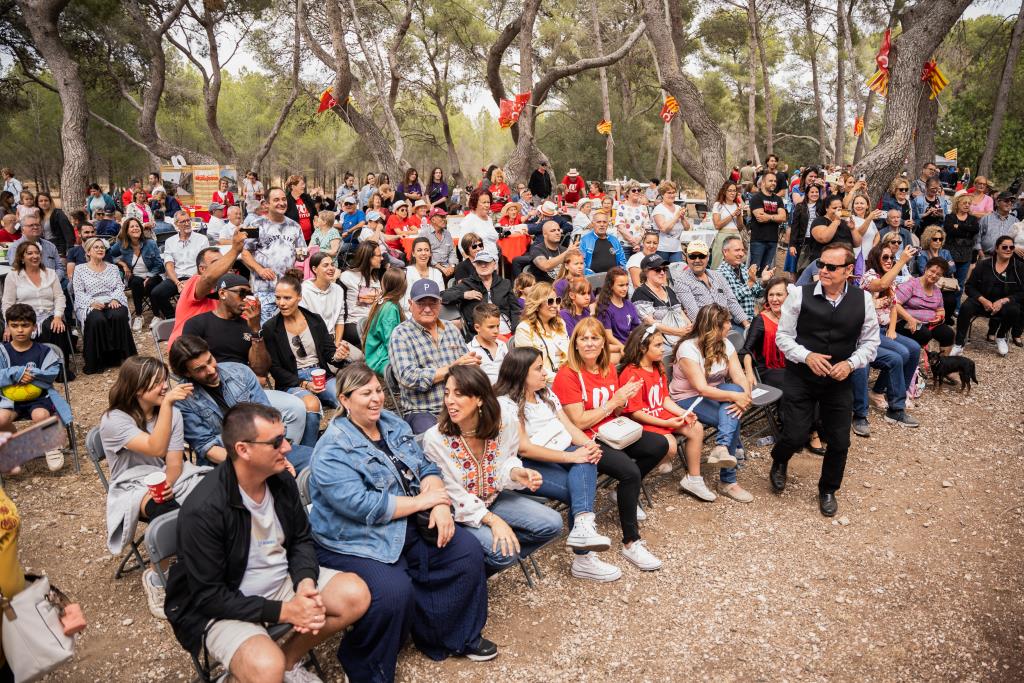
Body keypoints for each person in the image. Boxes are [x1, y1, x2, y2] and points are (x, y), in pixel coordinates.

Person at [308, 364, 496, 680]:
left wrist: (438, 502)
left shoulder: (391, 423)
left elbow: (425, 466)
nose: (375, 399)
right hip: (353, 538)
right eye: (365, 393)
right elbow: (363, 506)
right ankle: (369, 666)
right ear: (344, 399)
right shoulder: (331, 449)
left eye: (378, 390)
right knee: (393, 592)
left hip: (405, 520)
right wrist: (425, 502)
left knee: (466, 551)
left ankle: (451, 636)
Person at [164, 402, 369, 683]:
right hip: (226, 605)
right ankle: (256, 671)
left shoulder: (279, 479)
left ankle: (287, 661)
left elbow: (300, 540)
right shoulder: (204, 509)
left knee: (355, 595)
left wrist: (306, 584)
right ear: (243, 450)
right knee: (264, 668)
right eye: (276, 442)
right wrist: (286, 611)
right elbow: (209, 597)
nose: (286, 448)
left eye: (284, 437)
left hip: (280, 582)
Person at [769, 242, 880, 517]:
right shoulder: (798, 295)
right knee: (794, 434)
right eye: (821, 264)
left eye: (831, 266)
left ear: (848, 270)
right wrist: (806, 356)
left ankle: (828, 489)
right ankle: (779, 460)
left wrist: (851, 363)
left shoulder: (862, 300)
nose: (824, 270)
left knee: (840, 441)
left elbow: (870, 342)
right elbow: (783, 337)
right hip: (801, 377)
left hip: (838, 380)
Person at [552, 317, 669, 570]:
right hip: (588, 440)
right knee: (629, 472)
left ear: (604, 343)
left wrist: (623, 399)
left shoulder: (606, 369)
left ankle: (623, 493)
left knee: (659, 444)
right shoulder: (568, 375)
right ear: (576, 343)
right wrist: (614, 401)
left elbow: (615, 412)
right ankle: (631, 543)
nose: (590, 343)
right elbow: (579, 423)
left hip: (612, 431)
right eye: (584, 338)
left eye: (595, 338)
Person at [422, 364, 563, 570]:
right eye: (447, 393)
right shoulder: (435, 439)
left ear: (479, 398)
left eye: (459, 394)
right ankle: (479, 564)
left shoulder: (504, 422)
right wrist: (493, 521)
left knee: (552, 523)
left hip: (494, 498)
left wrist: (516, 473)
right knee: (504, 552)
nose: (449, 401)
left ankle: (493, 557)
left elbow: (506, 461)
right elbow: (451, 493)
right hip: (459, 512)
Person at [100, 357, 210, 619]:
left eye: (165, 380)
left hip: (167, 477)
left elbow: (173, 461)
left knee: (214, 492)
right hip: (131, 485)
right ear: (137, 388)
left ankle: (208, 563)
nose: (165, 386)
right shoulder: (115, 420)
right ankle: (156, 577)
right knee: (167, 510)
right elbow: (155, 448)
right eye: (158, 382)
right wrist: (170, 403)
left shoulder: (171, 413)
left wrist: (167, 484)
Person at [170, 334, 317, 470]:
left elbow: (268, 418)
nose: (211, 370)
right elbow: (208, 449)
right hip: (227, 463)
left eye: (210, 360)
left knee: (318, 460)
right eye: (200, 369)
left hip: (267, 448)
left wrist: (271, 455)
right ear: (186, 373)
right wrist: (253, 463)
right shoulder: (184, 400)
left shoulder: (240, 372)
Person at [668, 304, 753, 503]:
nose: (730, 326)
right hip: (687, 398)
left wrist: (745, 397)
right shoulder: (688, 348)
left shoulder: (725, 343)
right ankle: (728, 480)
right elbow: (701, 388)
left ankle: (722, 448)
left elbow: (739, 377)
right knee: (732, 413)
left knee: (734, 396)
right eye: (727, 323)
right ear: (714, 328)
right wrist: (737, 399)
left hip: (716, 394)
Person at [618, 325, 712, 499]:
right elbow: (634, 413)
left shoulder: (657, 366)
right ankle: (631, 487)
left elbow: (664, 399)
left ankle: (693, 478)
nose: (663, 349)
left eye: (662, 344)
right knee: (669, 445)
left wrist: (683, 413)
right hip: (641, 420)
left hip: (658, 413)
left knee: (696, 427)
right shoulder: (632, 373)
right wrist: (666, 423)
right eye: (658, 345)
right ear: (642, 347)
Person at [389, 279, 477, 432]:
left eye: (433, 303)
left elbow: (465, 365)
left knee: (492, 422)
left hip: (459, 404)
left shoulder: (450, 328)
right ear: (410, 304)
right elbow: (408, 377)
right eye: (421, 303)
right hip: (424, 411)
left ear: (440, 303)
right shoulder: (401, 334)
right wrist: (452, 369)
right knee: (437, 438)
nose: (428, 309)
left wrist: (471, 365)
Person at [263, 272, 350, 413]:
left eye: (287, 298)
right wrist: (304, 384)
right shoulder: (270, 328)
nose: (281, 303)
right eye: (278, 298)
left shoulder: (315, 320)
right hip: (293, 381)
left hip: (321, 375)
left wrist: (337, 356)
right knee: (310, 406)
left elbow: (329, 353)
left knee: (347, 400)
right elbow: (275, 368)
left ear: (299, 298)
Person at [0, 304, 71, 470]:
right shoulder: (2, 351)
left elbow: (52, 373)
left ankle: (51, 445)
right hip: (9, 399)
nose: (20, 330)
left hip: (39, 398)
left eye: (25, 325)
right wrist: (16, 373)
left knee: (41, 415)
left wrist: (30, 373)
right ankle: (13, 447)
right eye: (14, 326)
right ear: (8, 327)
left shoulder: (44, 351)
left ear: (34, 327)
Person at [858, 243, 922, 427]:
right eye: (885, 257)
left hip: (884, 330)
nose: (889, 260)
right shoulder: (869, 276)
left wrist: (893, 329)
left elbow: (894, 306)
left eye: (891, 258)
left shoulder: (891, 278)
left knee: (914, 348)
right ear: (876, 258)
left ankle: (888, 390)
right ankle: (887, 397)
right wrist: (901, 262)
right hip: (868, 332)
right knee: (901, 352)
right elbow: (882, 284)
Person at [242, 187, 307, 324]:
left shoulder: (294, 226)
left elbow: (301, 253)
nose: (281, 203)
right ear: (266, 204)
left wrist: (300, 259)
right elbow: (245, 252)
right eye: (276, 200)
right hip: (264, 289)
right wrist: (260, 269)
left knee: (287, 328)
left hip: (287, 290)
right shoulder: (255, 225)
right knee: (266, 331)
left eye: (284, 199)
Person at [72, 237, 137, 373]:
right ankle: (98, 361)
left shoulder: (113, 268)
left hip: (111, 300)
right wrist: (91, 302)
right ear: (88, 252)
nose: (100, 249)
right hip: (90, 302)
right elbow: (78, 291)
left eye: (102, 247)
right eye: (96, 247)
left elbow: (119, 287)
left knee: (118, 315)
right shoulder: (80, 269)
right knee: (97, 319)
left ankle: (122, 357)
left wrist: (115, 299)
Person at [168, 235, 247, 345]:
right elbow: (208, 278)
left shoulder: (229, 291)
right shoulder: (194, 281)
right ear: (202, 269)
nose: (224, 266)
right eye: (216, 263)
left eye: (224, 262)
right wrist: (235, 250)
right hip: (187, 348)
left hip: (217, 347)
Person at [952, 235, 1023, 356]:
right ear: (996, 248)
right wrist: (983, 300)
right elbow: (969, 287)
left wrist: (1003, 301)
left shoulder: (1019, 267)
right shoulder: (983, 265)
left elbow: (1022, 292)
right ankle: (959, 344)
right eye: (1004, 247)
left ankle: (1000, 337)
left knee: (1014, 309)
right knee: (966, 307)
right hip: (982, 301)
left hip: (1003, 304)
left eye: (1011, 247)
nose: (1008, 249)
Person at [2, 242, 71, 363]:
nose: (35, 256)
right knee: (15, 331)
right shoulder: (13, 276)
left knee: (56, 328)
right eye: (29, 253)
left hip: (48, 314)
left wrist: (58, 317)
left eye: (37, 253)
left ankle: (57, 369)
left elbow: (59, 297)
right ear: (22, 257)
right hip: (23, 316)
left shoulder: (50, 273)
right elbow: (7, 303)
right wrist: (9, 324)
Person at [671, 240, 749, 332]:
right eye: (692, 256)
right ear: (686, 258)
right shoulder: (682, 281)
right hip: (706, 329)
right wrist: (720, 329)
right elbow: (694, 314)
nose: (697, 260)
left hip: (728, 323)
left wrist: (747, 325)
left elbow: (731, 301)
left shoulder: (717, 275)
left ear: (708, 257)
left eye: (701, 256)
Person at [441, 248, 519, 338]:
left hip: (505, 331)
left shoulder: (504, 283)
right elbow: (443, 296)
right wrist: (464, 295)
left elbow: (515, 310)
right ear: (475, 266)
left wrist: (516, 330)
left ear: (494, 264)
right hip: (479, 334)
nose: (483, 265)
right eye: (479, 263)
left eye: (487, 262)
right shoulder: (467, 284)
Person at [300, 253, 362, 361]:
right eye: (325, 265)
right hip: (313, 342)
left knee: (360, 358)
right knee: (339, 368)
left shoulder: (338, 290)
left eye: (332, 265)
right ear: (314, 269)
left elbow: (340, 319)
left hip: (333, 340)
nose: (331, 268)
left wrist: (337, 344)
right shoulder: (304, 290)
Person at [152, 211, 211, 321]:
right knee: (157, 293)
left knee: (190, 294)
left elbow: (203, 264)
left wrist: (190, 281)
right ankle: (172, 318)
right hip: (177, 278)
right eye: (183, 221)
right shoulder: (170, 241)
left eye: (188, 220)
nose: (187, 223)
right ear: (176, 224)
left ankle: (194, 319)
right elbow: (169, 264)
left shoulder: (202, 239)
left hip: (196, 277)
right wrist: (177, 282)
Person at [109, 217, 164, 331]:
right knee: (135, 282)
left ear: (141, 228)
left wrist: (149, 276)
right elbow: (110, 255)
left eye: (137, 226)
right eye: (132, 226)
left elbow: (159, 264)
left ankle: (157, 315)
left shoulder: (150, 243)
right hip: (136, 276)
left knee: (150, 283)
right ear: (126, 231)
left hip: (153, 274)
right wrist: (123, 265)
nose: (135, 228)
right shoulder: (122, 244)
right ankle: (139, 316)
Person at [895, 257, 957, 353]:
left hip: (929, 323)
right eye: (932, 271)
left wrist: (940, 317)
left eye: (938, 274)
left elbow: (940, 309)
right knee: (924, 334)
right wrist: (910, 319)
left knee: (948, 334)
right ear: (926, 268)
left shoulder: (937, 290)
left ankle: (941, 364)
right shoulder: (912, 284)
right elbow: (895, 304)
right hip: (906, 321)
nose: (934, 275)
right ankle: (912, 360)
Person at [513, 283, 569, 384]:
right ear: (537, 305)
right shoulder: (524, 329)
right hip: (542, 382)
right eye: (550, 301)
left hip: (565, 377)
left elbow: (569, 354)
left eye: (557, 300)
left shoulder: (560, 323)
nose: (555, 305)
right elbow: (529, 366)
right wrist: (561, 379)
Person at [631, 254, 691, 346]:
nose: (662, 273)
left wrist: (689, 327)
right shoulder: (641, 293)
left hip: (683, 337)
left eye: (664, 269)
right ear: (646, 272)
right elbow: (649, 323)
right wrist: (678, 332)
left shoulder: (669, 290)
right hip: (658, 341)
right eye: (658, 270)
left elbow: (681, 314)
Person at [717, 235, 774, 321]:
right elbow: (727, 302)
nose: (741, 254)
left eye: (742, 250)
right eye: (737, 250)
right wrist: (750, 283)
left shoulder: (743, 268)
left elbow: (758, 294)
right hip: (734, 322)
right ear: (725, 252)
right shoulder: (720, 274)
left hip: (752, 318)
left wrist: (764, 281)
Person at [338, 240, 384, 346]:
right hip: (354, 323)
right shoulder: (348, 276)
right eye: (379, 255)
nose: (382, 258)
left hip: (373, 323)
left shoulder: (376, 279)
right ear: (368, 257)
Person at [362, 268, 407, 375]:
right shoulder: (390, 308)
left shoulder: (384, 300)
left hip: (375, 356)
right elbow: (391, 342)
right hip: (380, 361)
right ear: (401, 287)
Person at [943, 192, 981, 311]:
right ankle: (944, 306)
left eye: (969, 203)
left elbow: (974, 230)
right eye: (964, 203)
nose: (966, 205)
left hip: (966, 255)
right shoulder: (950, 217)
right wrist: (965, 230)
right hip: (950, 254)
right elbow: (950, 231)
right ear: (958, 203)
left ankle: (957, 307)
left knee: (960, 283)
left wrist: (959, 227)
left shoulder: (973, 219)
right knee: (947, 280)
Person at [805, 195, 862, 267]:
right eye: (834, 208)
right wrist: (836, 221)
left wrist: (853, 229)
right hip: (825, 265)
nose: (838, 211)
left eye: (840, 208)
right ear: (826, 208)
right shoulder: (819, 221)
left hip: (844, 265)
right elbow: (824, 238)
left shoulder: (844, 222)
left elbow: (858, 243)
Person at [915, 225, 959, 318]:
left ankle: (945, 319)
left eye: (940, 239)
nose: (938, 241)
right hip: (928, 285)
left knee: (952, 301)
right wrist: (944, 266)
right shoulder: (922, 254)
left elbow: (953, 269)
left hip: (944, 285)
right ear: (928, 240)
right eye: (935, 239)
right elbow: (923, 271)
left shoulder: (945, 252)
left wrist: (936, 268)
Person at [748, 173, 787, 276]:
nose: (773, 183)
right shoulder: (756, 198)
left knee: (767, 271)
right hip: (758, 240)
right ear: (763, 182)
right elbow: (760, 218)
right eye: (770, 181)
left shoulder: (778, 199)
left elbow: (783, 217)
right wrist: (775, 217)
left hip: (773, 240)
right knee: (754, 270)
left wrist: (768, 217)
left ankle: (765, 291)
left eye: (775, 181)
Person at [594, 267, 640, 350]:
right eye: (621, 285)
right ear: (611, 285)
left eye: (627, 285)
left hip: (629, 345)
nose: (625, 289)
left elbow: (635, 330)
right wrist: (624, 348)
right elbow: (609, 337)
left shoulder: (629, 305)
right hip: (615, 348)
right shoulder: (604, 308)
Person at [467, 303, 508, 384]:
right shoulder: (469, 350)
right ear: (477, 327)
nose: (496, 331)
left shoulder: (502, 345)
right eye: (491, 327)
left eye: (498, 326)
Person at [402, 237, 445, 312]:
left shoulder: (437, 273)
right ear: (413, 253)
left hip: (433, 314)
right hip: (411, 314)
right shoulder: (406, 272)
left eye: (426, 250)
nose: (423, 253)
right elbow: (403, 301)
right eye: (419, 250)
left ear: (430, 253)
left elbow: (441, 299)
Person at [651, 181, 689, 263]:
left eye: (673, 192)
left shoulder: (678, 207)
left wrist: (682, 218)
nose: (672, 195)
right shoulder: (658, 209)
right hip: (661, 249)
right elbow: (664, 228)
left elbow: (687, 228)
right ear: (662, 194)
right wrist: (676, 217)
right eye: (669, 193)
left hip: (676, 249)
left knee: (677, 273)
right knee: (662, 272)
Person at [709, 181, 745, 268]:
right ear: (724, 192)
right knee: (718, 263)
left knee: (735, 263)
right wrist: (732, 215)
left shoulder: (737, 205)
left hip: (736, 236)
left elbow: (740, 227)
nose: (733, 193)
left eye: (734, 190)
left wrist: (739, 215)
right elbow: (717, 225)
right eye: (730, 190)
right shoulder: (718, 205)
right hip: (722, 236)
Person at [418, 207, 456, 280]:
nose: (444, 219)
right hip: (432, 266)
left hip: (447, 265)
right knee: (438, 273)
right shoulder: (425, 233)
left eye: (444, 217)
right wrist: (441, 268)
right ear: (433, 220)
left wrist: (452, 266)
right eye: (441, 217)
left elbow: (452, 251)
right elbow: (424, 254)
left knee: (462, 269)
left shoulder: (447, 233)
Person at [614, 182, 651, 256]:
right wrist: (634, 242)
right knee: (624, 267)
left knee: (638, 267)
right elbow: (620, 227)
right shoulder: (622, 207)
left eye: (639, 190)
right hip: (624, 246)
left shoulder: (643, 208)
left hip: (640, 245)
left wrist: (638, 240)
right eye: (634, 190)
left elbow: (646, 227)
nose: (637, 192)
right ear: (627, 193)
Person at [977, 191, 1018, 256]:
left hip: (1006, 258)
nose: (1010, 203)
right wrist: (981, 254)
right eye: (1006, 201)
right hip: (986, 256)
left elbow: (1018, 241)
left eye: (1012, 201)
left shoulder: (1015, 221)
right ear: (997, 202)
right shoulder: (986, 218)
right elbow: (977, 238)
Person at [460, 189, 500, 253]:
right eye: (484, 202)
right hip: (478, 261)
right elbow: (462, 247)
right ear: (475, 203)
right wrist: (472, 262)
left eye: (488, 202)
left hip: (493, 260)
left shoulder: (489, 219)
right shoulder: (469, 220)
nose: (487, 205)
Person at [283, 175, 317, 242]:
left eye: (304, 184)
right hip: (294, 240)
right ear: (293, 186)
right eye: (301, 184)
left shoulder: (306, 198)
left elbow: (315, 214)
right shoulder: (286, 201)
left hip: (310, 239)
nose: (304, 186)